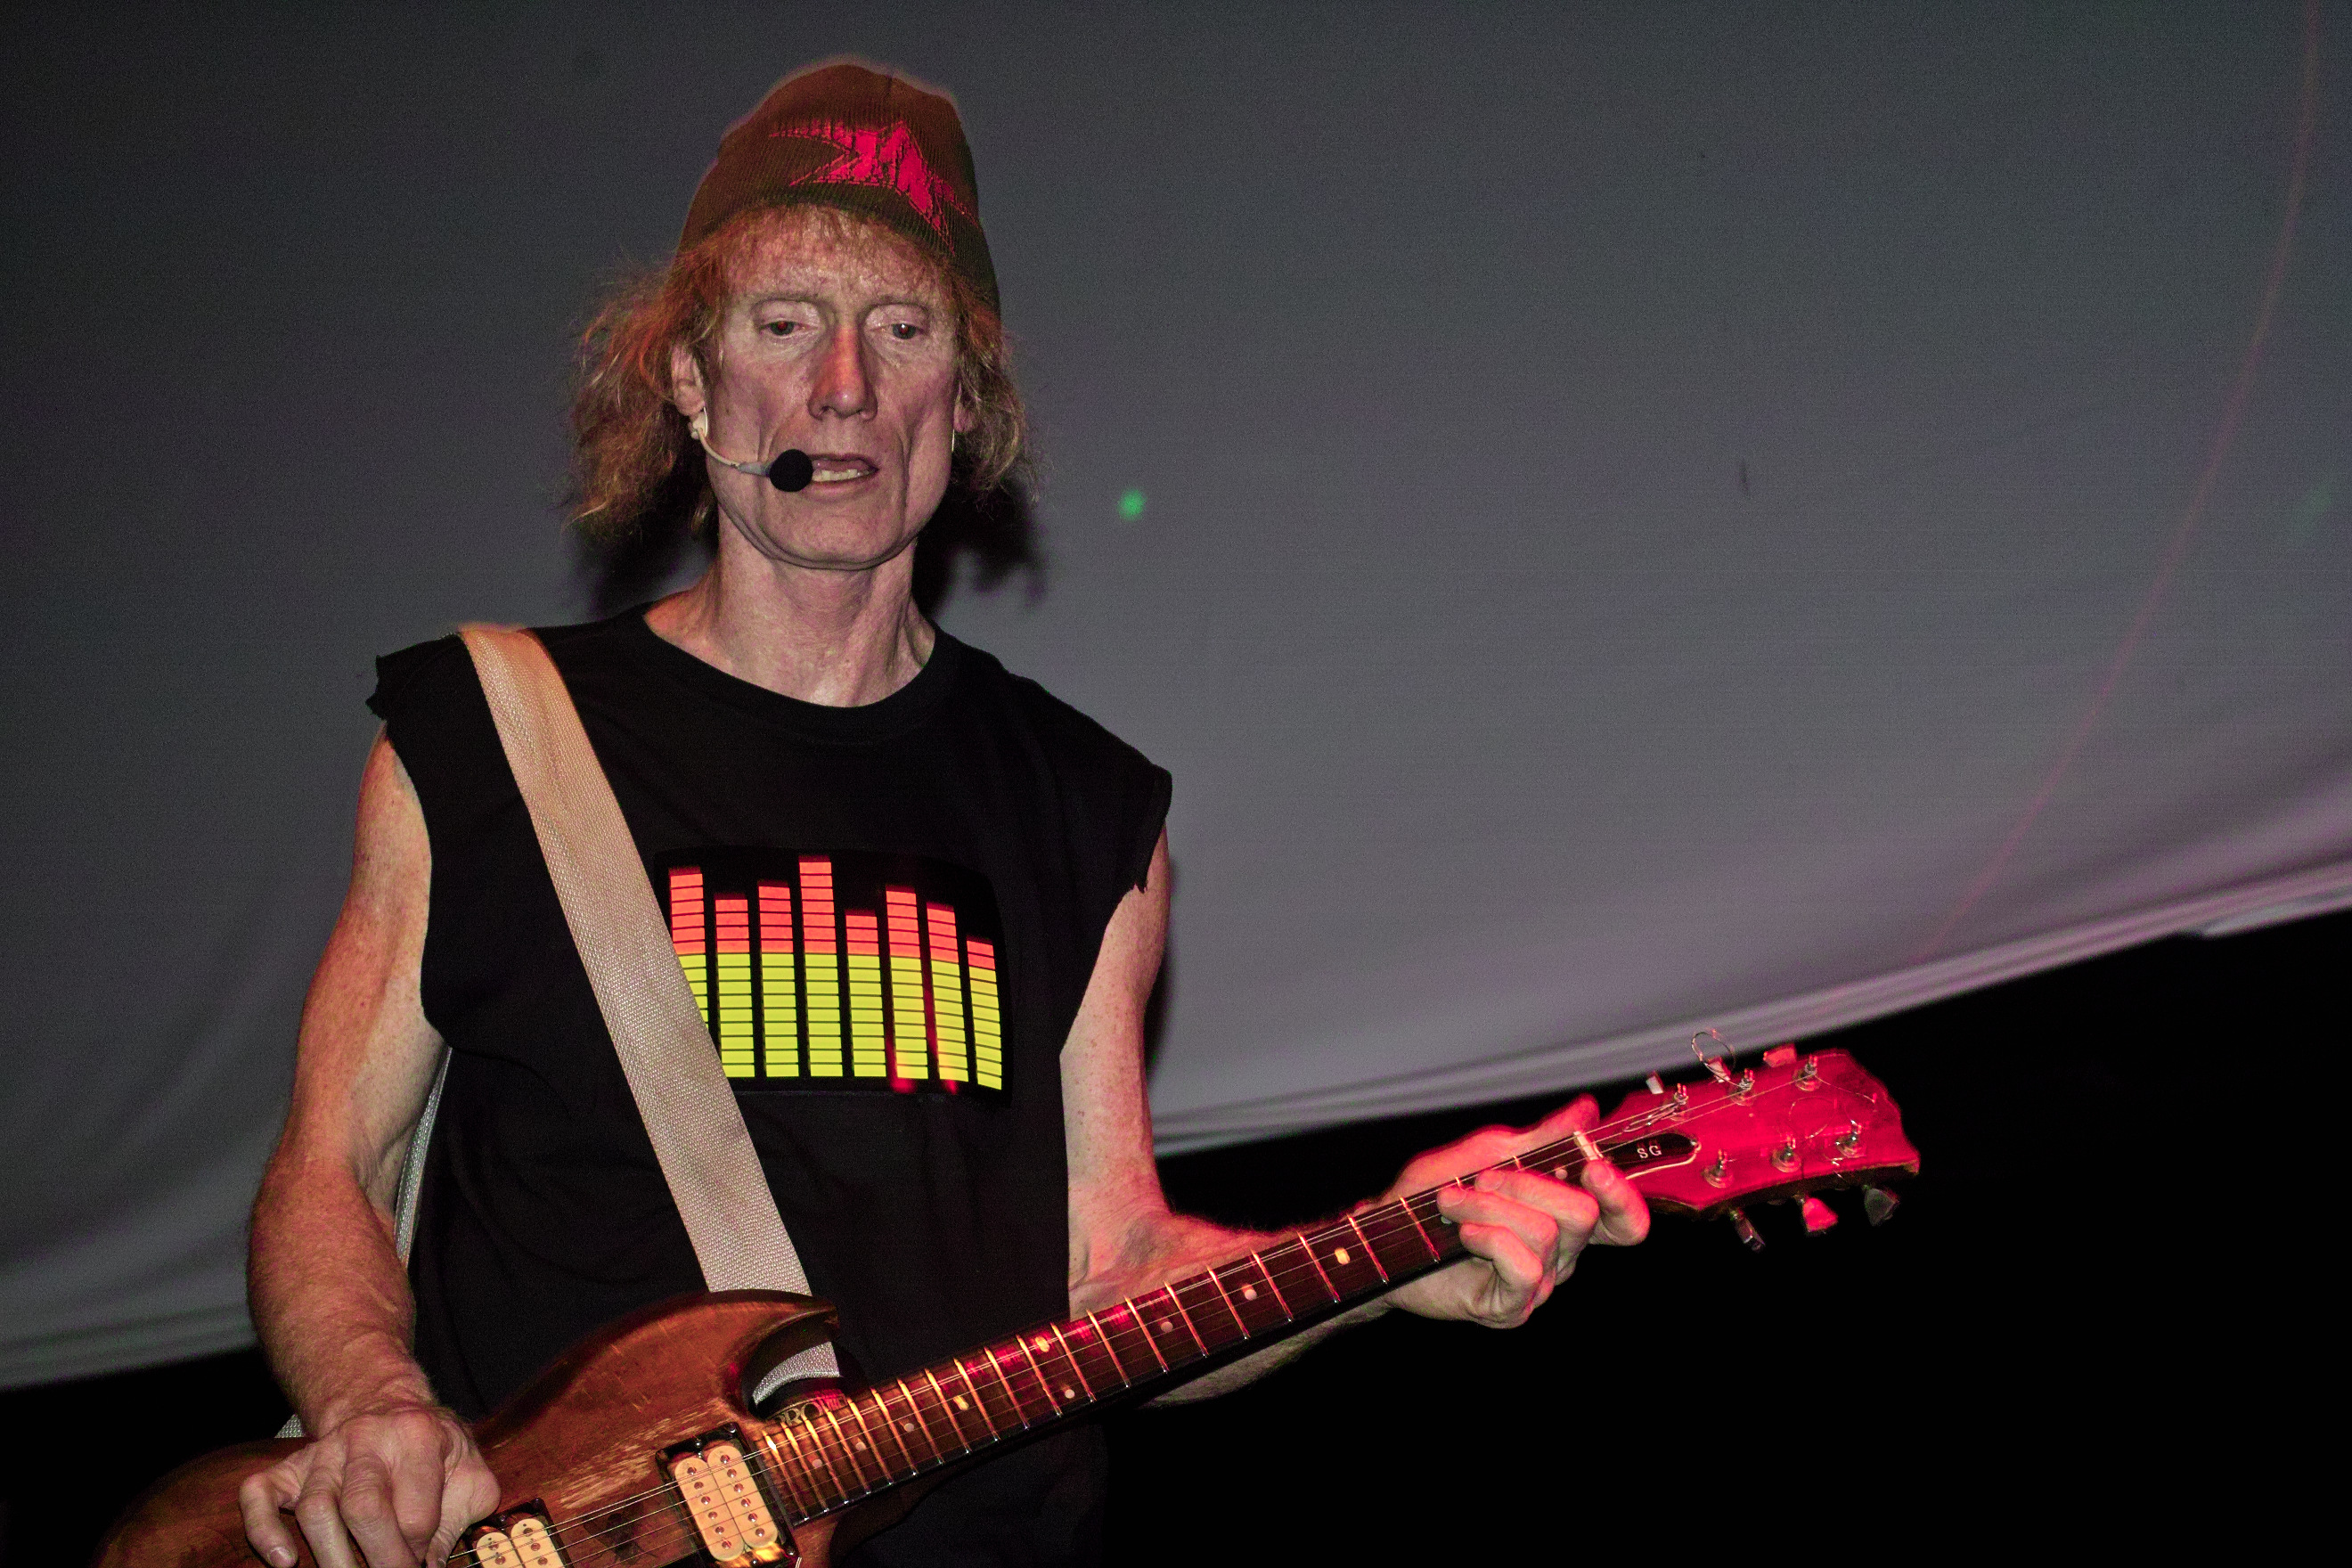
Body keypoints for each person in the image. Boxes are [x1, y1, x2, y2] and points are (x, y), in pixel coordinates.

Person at [236, 61, 1648, 1568]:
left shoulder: (1083, 810)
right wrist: (370, 1403)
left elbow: (1109, 1267)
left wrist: (1380, 1255)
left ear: (962, 405)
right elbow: (333, 1168)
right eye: (785, 324)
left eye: (902, 330)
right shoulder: (491, 738)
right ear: (692, 382)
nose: (843, 385)